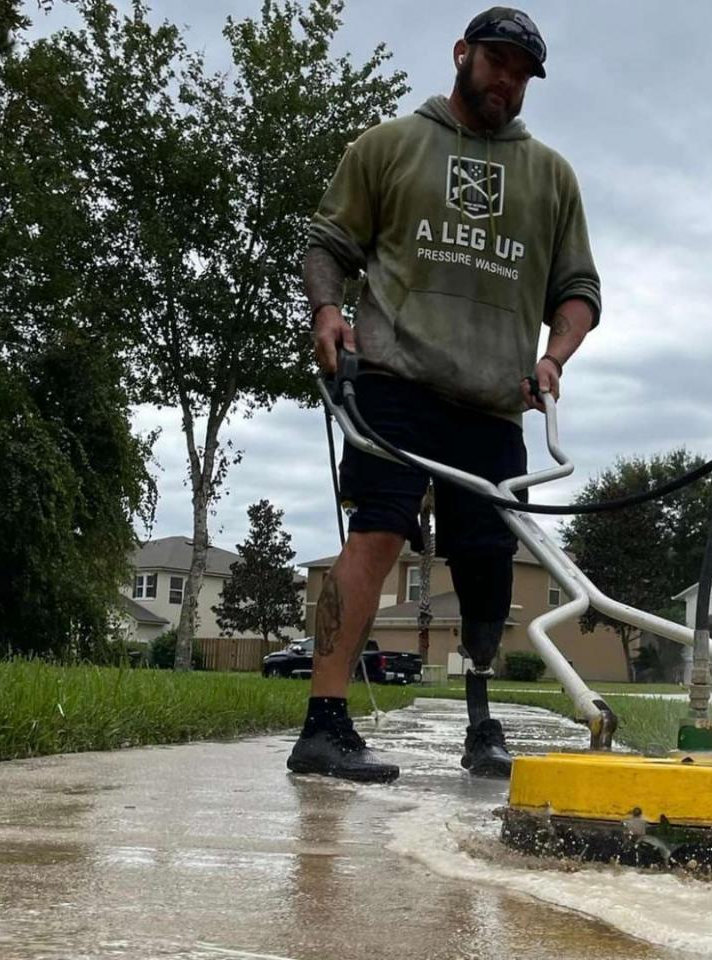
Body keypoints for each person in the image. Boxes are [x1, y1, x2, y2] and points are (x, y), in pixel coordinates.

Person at [289, 6, 601, 783]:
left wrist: (553, 357)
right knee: (376, 535)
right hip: (394, 380)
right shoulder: (390, 146)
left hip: (492, 402)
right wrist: (328, 313)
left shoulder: (551, 176)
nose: (508, 81)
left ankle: (481, 722)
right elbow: (328, 244)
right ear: (462, 53)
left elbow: (578, 290)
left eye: (522, 74)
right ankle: (324, 724)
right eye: (497, 62)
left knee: (488, 566)